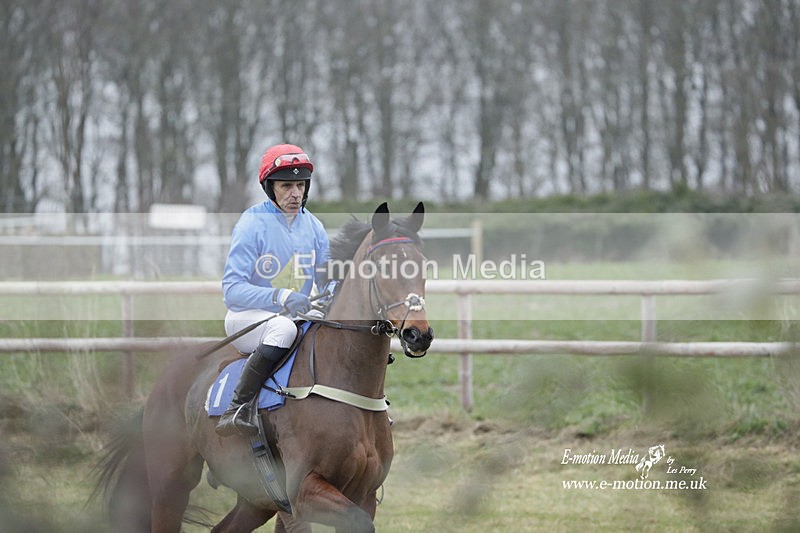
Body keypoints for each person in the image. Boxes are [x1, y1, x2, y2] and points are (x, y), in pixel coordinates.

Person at [215, 143, 331, 437]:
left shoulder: (314, 226)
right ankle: (237, 409)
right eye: (286, 186)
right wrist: (281, 296)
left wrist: (337, 293)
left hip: (294, 316)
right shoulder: (251, 224)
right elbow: (232, 290)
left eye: (300, 186)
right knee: (283, 328)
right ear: (270, 188)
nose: (295, 194)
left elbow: (327, 278)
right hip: (247, 318)